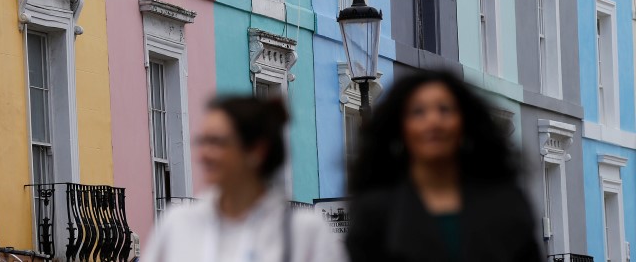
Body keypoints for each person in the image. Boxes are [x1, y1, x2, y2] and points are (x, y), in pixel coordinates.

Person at [347, 70, 542, 262]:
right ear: (400, 128)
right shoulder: (374, 212)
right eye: (418, 112)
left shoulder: (507, 203)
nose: (433, 122)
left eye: (445, 110)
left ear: (464, 123)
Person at [141, 96, 347, 262]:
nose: (203, 154)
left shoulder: (304, 232)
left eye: (217, 142)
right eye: (202, 142)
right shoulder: (178, 224)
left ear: (256, 150)